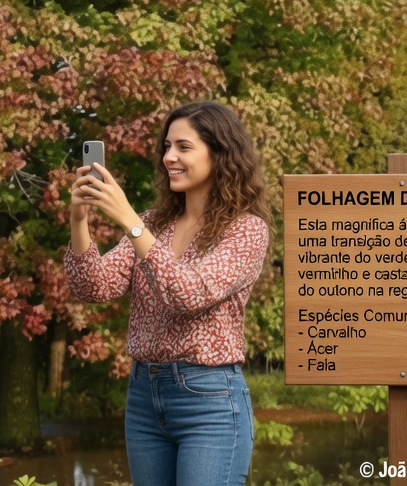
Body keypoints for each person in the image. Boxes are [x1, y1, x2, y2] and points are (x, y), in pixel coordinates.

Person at [65, 101, 271, 486]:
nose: (169, 157)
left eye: (183, 147)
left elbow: (188, 294)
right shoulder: (153, 222)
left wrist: (127, 220)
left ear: (220, 153)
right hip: (144, 396)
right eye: (166, 147)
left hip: (209, 400)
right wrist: (79, 220)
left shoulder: (246, 231)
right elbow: (93, 286)